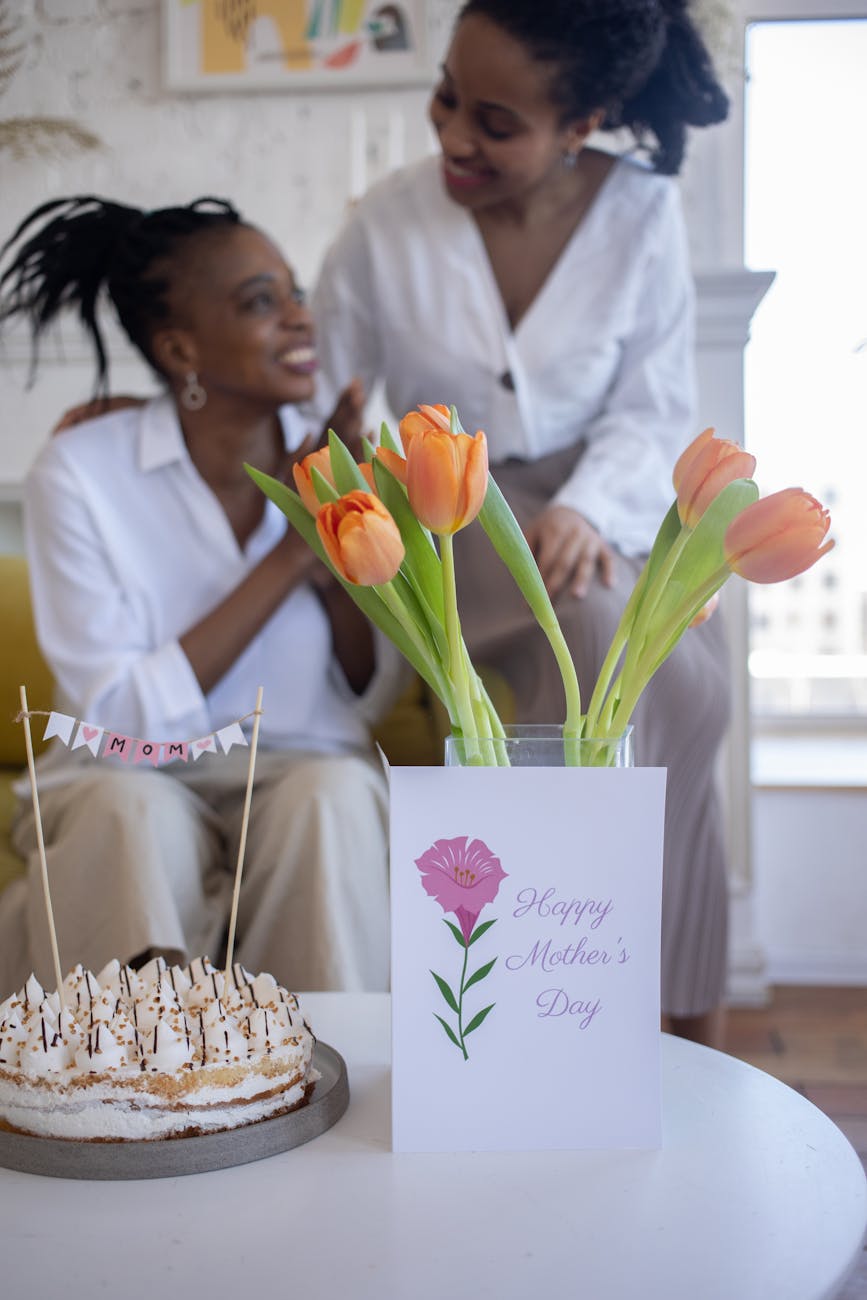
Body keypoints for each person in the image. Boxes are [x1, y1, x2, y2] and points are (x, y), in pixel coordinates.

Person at [309, 0, 732, 1045]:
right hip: (452, 517)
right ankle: (570, 995)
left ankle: (668, 999)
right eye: (448, 96)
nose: (453, 134)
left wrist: (590, 505)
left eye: (495, 123)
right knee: (593, 640)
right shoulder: (384, 228)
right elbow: (317, 397)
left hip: (598, 503)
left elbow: (652, 403)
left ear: (581, 123)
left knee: (688, 677)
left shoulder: (642, 217)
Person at [0, 195, 397, 996]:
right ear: (180, 347)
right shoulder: (81, 473)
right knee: (125, 815)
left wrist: (339, 514)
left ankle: (318, 1091)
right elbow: (115, 721)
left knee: (334, 800)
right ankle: (133, 1099)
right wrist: (291, 556)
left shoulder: (337, 458)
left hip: (302, 765)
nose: (298, 319)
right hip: (133, 770)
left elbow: (371, 687)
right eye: (261, 302)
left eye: (295, 293)